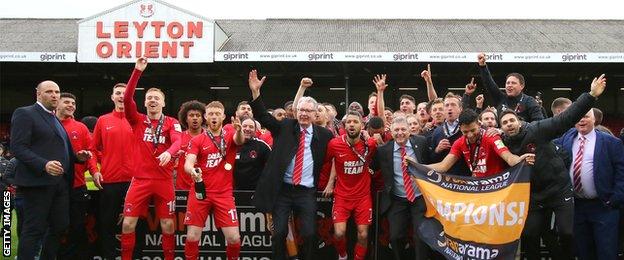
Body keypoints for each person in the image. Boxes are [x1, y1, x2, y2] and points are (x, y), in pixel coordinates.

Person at [499, 74, 607, 260]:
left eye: (512, 120)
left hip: (559, 190)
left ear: (519, 121)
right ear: (501, 127)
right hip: (534, 196)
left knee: (566, 233)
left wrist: (591, 95)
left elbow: (565, 118)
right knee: (530, 235)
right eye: (505, 123)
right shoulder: (501, 144)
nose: (509, 124)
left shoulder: (537, 129)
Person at [249, 70, 334, 260]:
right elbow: (263, 117)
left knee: (310, 234)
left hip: (306, 192)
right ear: (297, 112)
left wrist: (330, 182)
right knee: (278, 233)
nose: (304, 114)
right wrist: (255, 93)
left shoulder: (325, 135)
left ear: (315, 114)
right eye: (301, 110)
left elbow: (337, 157)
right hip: (283, 191)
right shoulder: (285, 127)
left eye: (308, 111)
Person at [10, 80, 91, 260]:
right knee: (34, 229)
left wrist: (78, 158)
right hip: (37, 183)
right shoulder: (25, 113)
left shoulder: (54, 117)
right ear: (38, 94)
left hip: (60, 185)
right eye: (49, 92)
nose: (54, 95)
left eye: (57, 92)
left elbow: (63, 150)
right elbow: (18, 147)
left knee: (60, 226)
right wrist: (43, 164)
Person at [120, 57, 182, 260]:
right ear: (145, 102)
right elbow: (127, 97)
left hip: (164, 181)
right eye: (149, 98)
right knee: (128, 223)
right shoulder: (136, 120)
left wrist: (169, 152)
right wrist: (137, 71)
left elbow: (178, 142)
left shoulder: (171, 122)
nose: (153, 100)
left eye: (157, 97)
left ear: (163, 102)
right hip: (140, 181)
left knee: (168, 225)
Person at [555, 108, 624, 260]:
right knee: (583, 252)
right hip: (577, 207)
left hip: (604, 206)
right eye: (578, 117)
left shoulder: (611, 143)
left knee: (606, 252)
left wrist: (614, 199)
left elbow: (622, 174)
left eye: (586, 116)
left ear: (594, 120)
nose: (581, 120)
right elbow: (544, 138)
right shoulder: (566, 138)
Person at [183, 101, 245, 260]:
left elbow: (239, 141)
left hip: (223, 193)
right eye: (211, 114)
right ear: (206, 117)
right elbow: (188, 163)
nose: (214, 117)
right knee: (192, 237)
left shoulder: (231, 133)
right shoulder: (197, 140)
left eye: (217, 114)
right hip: (200, 193)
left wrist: (239, 130)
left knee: (234, 239)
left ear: (223, 116)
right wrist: (193, 171)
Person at [371, 116, 431, 260]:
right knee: (395, 236)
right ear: (390, 133)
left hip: (419, 197)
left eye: (403, 129)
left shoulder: (421, 143)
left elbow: (430, 162)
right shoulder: (383, 150)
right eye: (396, 130)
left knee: (420, 236)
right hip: (397, 199)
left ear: (410, 131)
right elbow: (372, 167)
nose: (400, 133)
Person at [321, 111, 378, 260]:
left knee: (363, 234)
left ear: (362, 125)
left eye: (355, 122)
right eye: (349, 122)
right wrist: (330, 183)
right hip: (342, 196)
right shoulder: (334, 144)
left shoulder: (370, 144)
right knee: (339, 233)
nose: (352, 124)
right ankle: (343, 255)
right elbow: (332, 162)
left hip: (363, 197)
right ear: (344, 125)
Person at [90, 82, 135, 259]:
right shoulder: (103, 120)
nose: (121, 96)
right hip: (110, 182)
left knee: (135, 224)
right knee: (107, 224)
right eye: (118, 93)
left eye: (125, 93)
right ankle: (108, 256)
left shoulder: (138, 119)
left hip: (135, 182)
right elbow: (92, 149)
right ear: (112, 97)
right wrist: (95, 171)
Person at [424, 109, 534, 177]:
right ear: (460, 129)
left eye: (473, 130)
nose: (470, 135)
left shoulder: (491, 136)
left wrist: (519, 160)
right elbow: (443, 166)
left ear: (479, 124)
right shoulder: (459, 143)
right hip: (478, 189)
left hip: (498, 188)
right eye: (465, 132)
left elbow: (508, 157)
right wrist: (417, 166)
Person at [56, 92, 99, 259]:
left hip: (77, 187)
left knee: (77, 226)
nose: (71, 105)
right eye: (66, 102)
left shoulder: (80, 128)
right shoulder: (48, 124)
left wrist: (95, 172)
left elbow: (91, 154)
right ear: (57, 104)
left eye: (73, 103)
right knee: (56, 226)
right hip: (52, 187)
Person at [477, 53, 545, 122]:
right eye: (507, 83)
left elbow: (539, 123)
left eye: (513, 83)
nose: (509, 85)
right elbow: (490, 84)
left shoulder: (529, 101)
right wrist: (483, 66)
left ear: (522, 86)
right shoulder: (500, 98)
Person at [428, 95, 470, 176]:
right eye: (447, 105)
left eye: (453, 105)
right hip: (445, 180)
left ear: (460, 109)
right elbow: (431, 159)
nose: (450, 108)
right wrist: (437, 150)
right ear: (444, 110)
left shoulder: (468, 127)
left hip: (466, 177)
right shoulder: (437, 131)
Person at [175, 100, 206, 191]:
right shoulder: (178, 137)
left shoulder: (209, 138)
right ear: (185, 118)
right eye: (191, 115)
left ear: (203, 118)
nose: (195, 118)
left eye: (198, 115)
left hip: (204, 186)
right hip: (182, 187)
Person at [233, 117, 272, 190]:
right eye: (244, 126)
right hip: (233, 190)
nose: (247, 129)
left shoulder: (262, 146)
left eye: (251, 127)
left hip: (256, 191)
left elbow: (272, 167)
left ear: (255, 130)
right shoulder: (232, 145)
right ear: (239, 127)